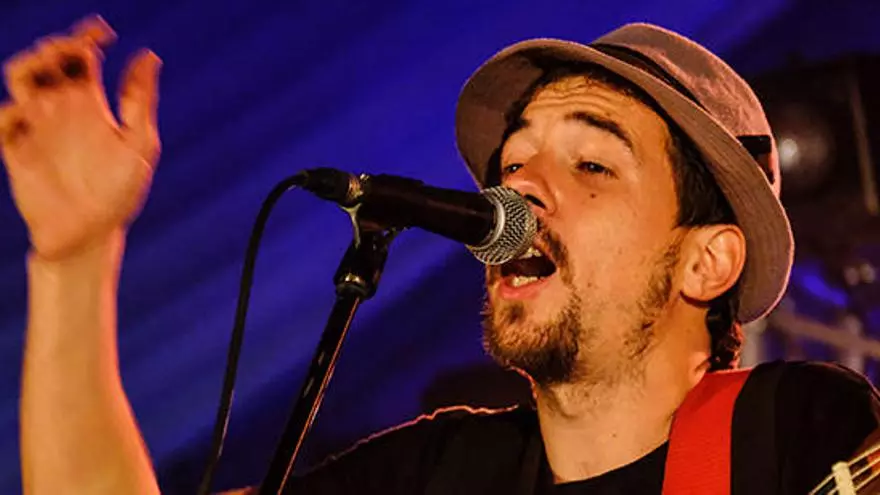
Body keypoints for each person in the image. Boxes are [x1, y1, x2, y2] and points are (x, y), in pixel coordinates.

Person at [3, 14, 879, 495]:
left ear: (706, 262)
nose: (519, 188)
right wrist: (76, 256)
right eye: (514, 162)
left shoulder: (791, 431)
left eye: (592, 164)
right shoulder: (441, 473)